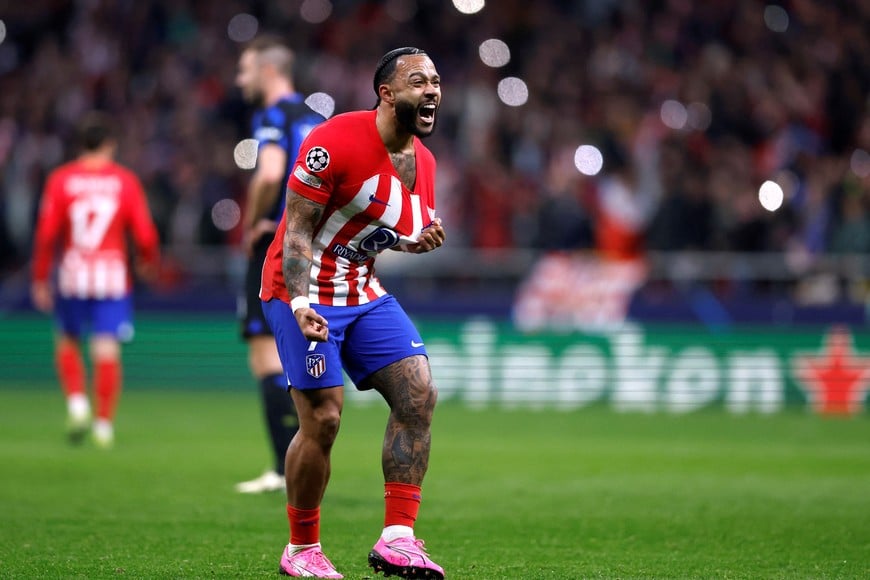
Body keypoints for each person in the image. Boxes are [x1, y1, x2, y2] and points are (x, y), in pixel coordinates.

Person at [260, 47, 446, 579]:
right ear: (386, 94)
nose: (432, 90)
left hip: (361, 292)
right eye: (418, 81)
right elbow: (297, 228)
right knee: (323, 417)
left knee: (418, 392)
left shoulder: (424, 164)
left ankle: (397, 539)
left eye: (435, 81)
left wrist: (414, 245)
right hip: (299, 290)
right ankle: (301, 550)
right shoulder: (334, 140)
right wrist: (299, 302)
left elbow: (377, 232)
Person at [31, 112, 160, 448]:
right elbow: (145, 233)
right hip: (112, 276)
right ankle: (103, 425)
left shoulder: (61, 179)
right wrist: (148, 261)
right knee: (107, 350)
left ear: (80, 145)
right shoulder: (124, 181)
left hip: (74, 272)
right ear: (110, 145)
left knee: (68, 340)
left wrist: (41, 277)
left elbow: (46, 233)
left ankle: (77, 402)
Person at [233, 36, 326, 493]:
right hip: (313, 246)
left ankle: (280, 467)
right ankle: (307, 457)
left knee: (265, 355)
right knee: (299, 354)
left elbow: (270, 173)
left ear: (269, 72)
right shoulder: (318, 120)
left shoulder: (273, 116)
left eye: (245, 70)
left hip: (275, 243)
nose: (240, 79)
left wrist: (253, 224)